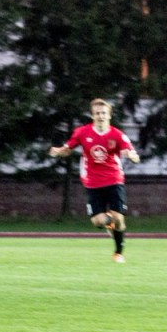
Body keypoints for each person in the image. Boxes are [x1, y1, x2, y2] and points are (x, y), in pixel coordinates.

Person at [48, 98, 140, 263]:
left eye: (104, 113)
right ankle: (109, 225)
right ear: (92, 116)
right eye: (97, 113)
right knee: (98, 221)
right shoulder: (82, 132)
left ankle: (118, 252)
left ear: (109, 115)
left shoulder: (117, 135)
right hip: (93, 182)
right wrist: (58, 151)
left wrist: (132, 156)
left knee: (119, 220)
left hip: (114, 179)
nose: (101, 116)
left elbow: (131, 153)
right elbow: (68, 149)